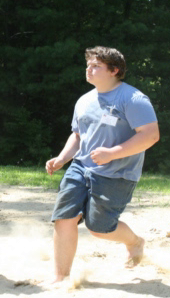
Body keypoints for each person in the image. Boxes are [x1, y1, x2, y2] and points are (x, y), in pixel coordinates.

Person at [45, 46, 159, 284]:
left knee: (99, 229)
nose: (89, 69)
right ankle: (61, 278)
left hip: (117, 173)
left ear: (114, 70)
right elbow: (78, 135)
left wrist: (112, 153)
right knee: (64, 217)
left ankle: (135, 242)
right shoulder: (84, 100)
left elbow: (150, 135)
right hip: (80, 166)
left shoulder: (133, 99)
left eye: (96, 66)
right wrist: (62, 158)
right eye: (88, 65)